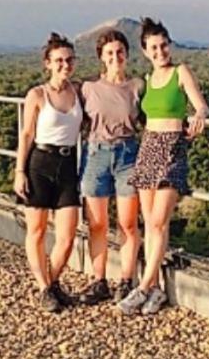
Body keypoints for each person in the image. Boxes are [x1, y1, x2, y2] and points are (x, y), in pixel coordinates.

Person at [120, 17, 209, 316]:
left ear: (170, 44)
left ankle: (142, 287)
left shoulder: (180, 72)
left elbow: (200, 104)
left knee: (158, 221)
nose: (160, 52)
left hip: (172, 148)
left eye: (164, 45)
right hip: (148, 147)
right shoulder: (146, 81)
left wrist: (199, 116)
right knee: (151, 224)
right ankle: (156, 289)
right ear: (145, 51)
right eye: (154, 48)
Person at [14, 33, 83, 313]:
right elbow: (26, 133)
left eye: (68, 60)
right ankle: (45, 287)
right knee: (38, 230)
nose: (64, 65)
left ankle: (52, 284)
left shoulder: (78, 91)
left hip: (68, 164)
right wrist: (20, 170)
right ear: (47, 63)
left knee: (67, 235)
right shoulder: (37, 94)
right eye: (58, 61)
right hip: (40, 162)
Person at [77, 29, 145, 305]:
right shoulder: (87, 88)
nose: (115, 57)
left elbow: (150, 120)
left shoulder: (137, 86)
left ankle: (126, 280)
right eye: (109, 53)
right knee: (97, 223)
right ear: (101, 58)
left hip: (128, 154)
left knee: (128, 223)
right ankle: (99, 280)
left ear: (127, 55)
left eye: (120, 52)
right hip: (96, 154)